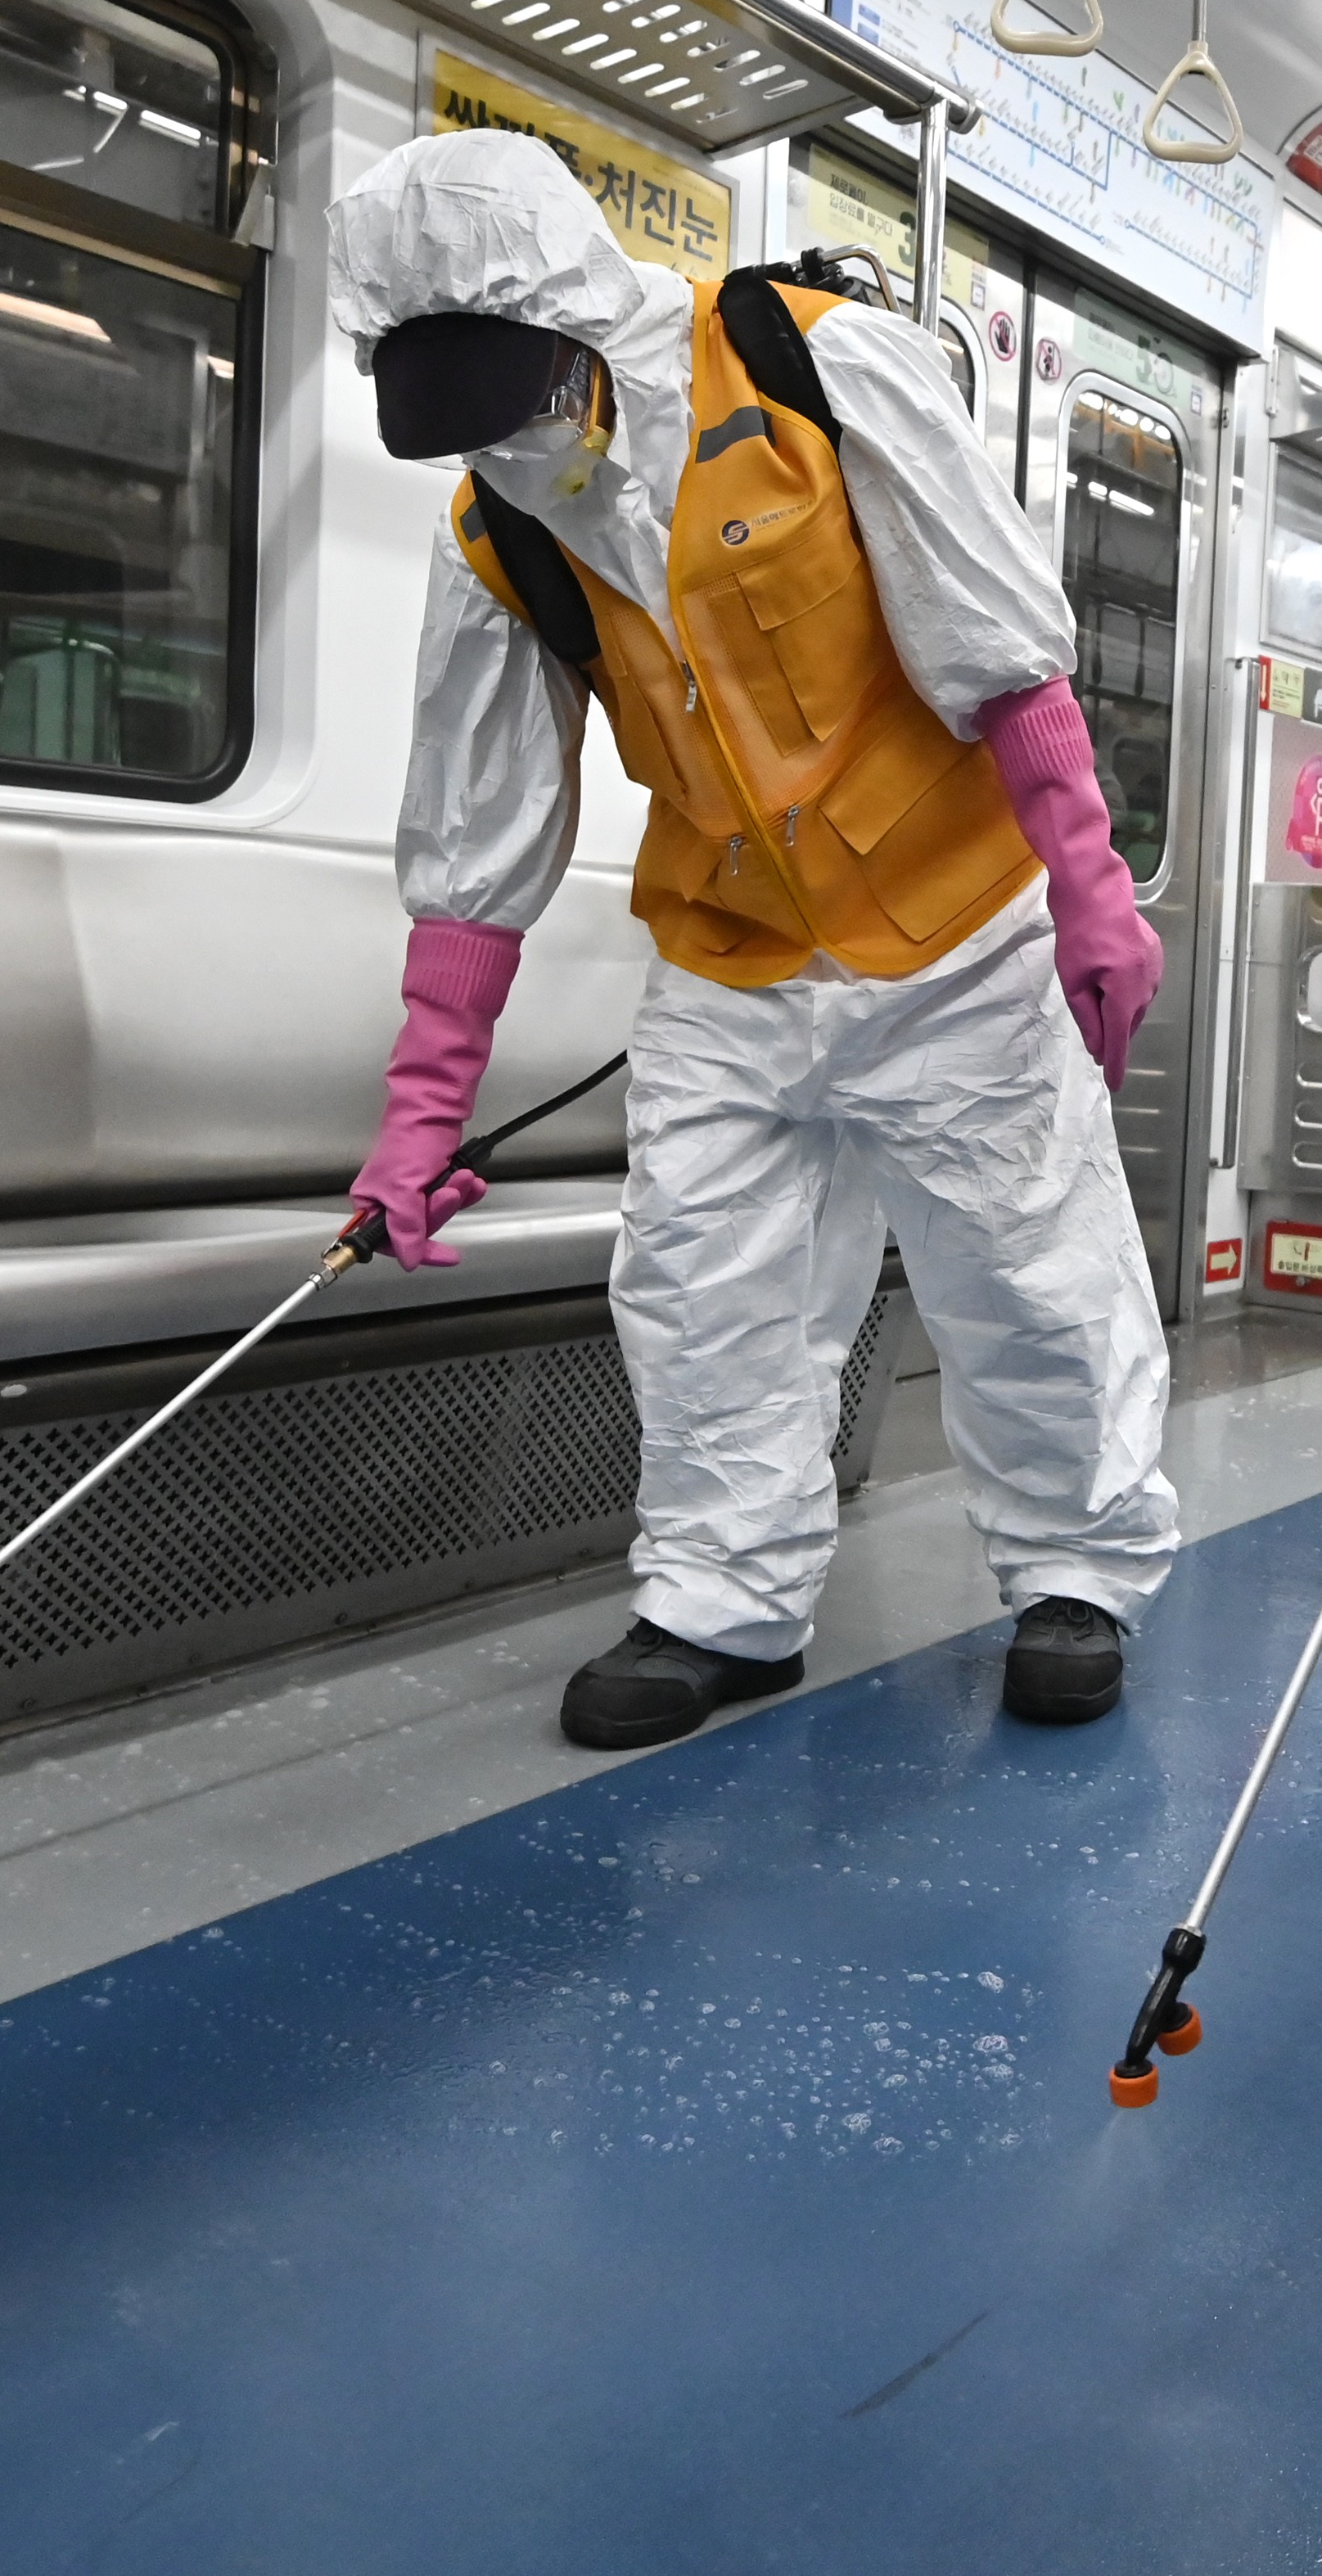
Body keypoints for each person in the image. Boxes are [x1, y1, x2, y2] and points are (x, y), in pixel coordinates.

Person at [331, 129, 1179, 1751]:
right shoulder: (501, 530)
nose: (505, 443)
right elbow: (477, 823)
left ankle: (1074, 1565)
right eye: (460, 419)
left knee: (1017, 1258)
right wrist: (419, 1114)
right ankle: (722, 1594)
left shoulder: (819, 371)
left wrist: (1087, 876)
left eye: (518, 395)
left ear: (580, 319)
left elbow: (993, 640)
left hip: (949, 926)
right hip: (727, 949)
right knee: (701, 1281)